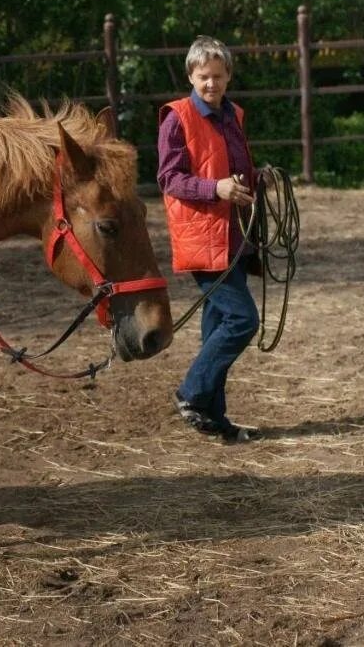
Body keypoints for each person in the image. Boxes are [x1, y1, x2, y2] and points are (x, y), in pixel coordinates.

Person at [157, 36, 261, 443]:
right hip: (202, 238)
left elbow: (235, 169)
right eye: (203, 77)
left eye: (217, 76)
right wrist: (214, 189)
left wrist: (256, 179)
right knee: (242, 319)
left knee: (217, 325)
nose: (211, 84)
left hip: (235, 234)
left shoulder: (234, 114)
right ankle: (192, 392)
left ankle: (215, 419)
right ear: (191, 76)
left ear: (228, 76)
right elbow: (169, 178)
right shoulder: (177, 118)